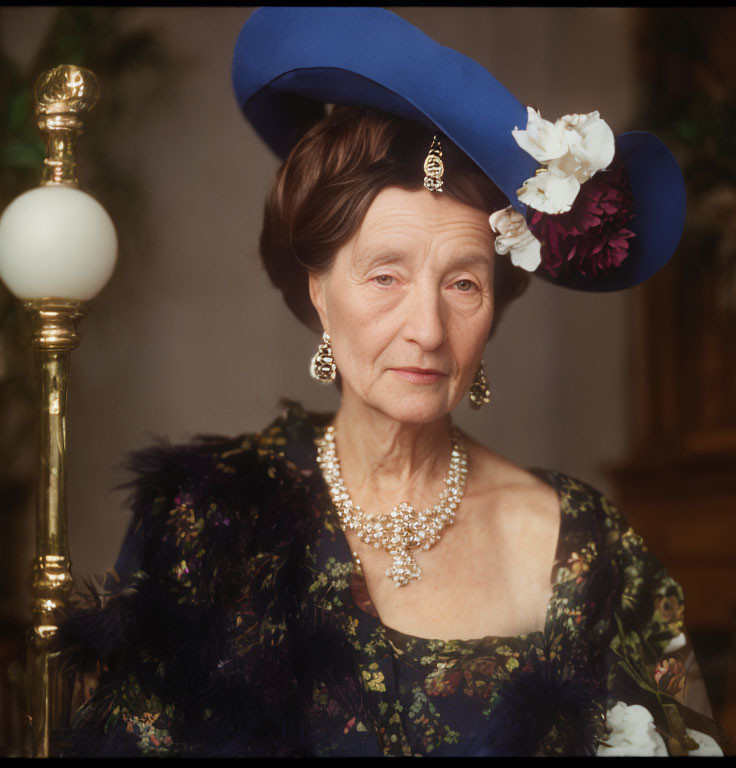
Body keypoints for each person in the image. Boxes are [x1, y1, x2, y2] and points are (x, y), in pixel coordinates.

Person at [52, 7, 724, 757]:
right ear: (318, 290)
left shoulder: (589, 548)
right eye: (385, 275)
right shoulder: (202, 521)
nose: (429, 329)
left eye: (464, 284)